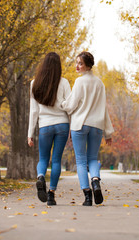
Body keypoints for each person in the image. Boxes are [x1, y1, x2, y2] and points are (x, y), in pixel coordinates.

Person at [61, 51, 114, 206]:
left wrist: (62, 105)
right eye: (77, 63)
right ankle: (96, 181)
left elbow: (71, 105)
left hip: (80, 125)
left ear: (88, 65)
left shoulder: (79, 82)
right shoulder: (100, 83)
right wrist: (108, 132)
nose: (77, 66)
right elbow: (104, 109)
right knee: (92, 158)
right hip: (97, 126)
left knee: (81, 161)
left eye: (80, 63)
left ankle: (87, 196)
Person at [27, 52, 71, 206]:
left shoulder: (34, 83)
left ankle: (40, 177)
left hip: (45, 125)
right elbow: (70, 107)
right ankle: (51, 195)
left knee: (43, 159)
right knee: (57, 160)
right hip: (62, 125)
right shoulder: (64, 82)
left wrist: (30, 133)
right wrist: (73, 127)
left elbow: (34, 111)